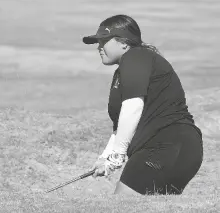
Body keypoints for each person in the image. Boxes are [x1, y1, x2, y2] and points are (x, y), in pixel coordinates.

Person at [83, 14, 203, 195]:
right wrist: (104, 159)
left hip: (166, 145)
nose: (99, 47)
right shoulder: (125, 70)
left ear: (124, 43)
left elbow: (133, 107)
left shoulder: (136, 56)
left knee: (121, 207)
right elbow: (121, 127)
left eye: (104, 41)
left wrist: (116, 157)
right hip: (182, 150)